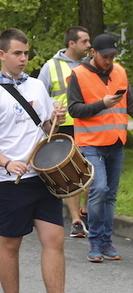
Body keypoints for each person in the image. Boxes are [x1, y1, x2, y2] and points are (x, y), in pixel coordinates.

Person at [0, 28, 92, 293]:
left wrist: (56, 120)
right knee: (10, 244)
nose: (23, 58)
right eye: (17, 53)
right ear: (2, 55)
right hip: (8, 180)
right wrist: (7, 162)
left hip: (42, 177)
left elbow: (45, 126)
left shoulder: (38, 86)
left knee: (53, 241)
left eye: (26, 53)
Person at [67, 33, 131, 262]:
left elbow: (129, 104)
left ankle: (106, 243)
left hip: (116, 141)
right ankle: (94, 242)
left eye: (113, 56)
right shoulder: (78, 74)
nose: (109, 61)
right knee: (99, 189)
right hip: (91, 144)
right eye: (105, 56)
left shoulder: (120, 72)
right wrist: (101, 104)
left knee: (110, 195)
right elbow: (74, 110)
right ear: (93, 52)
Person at [37, 26, 92, 238]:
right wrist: (50, 119)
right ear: (72, 44)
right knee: (72, 172)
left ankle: (84, 212)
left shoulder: (90, 65)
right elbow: (39, 96)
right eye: (85, 42)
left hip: (88, 123)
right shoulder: (50, 66)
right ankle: (76, 220)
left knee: (89, 170)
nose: (89, 45)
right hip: (64, 125)